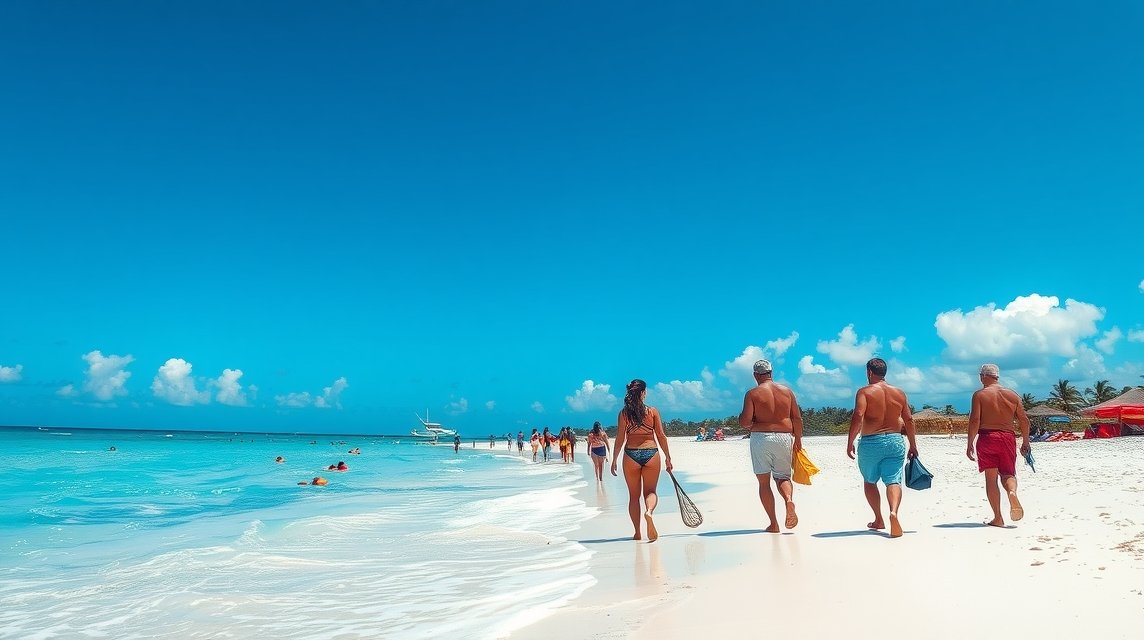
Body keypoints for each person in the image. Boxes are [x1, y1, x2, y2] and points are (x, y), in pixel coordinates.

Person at [847, 358, 918, 539]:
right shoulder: (899, 393)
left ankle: (879, 519)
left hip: (871, 441)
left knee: (870, 481)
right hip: (895, 440)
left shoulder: (864, 392)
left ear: (869, 372)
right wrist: (913, 445)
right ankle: (893, 512)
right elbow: (909, 420)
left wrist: (850, 441)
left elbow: (858, 415)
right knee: (893, 480)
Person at [739, 359, 803, 532]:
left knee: (764, 482)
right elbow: (797, 418)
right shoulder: (787, 391)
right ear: (771, 373)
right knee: (783, 477)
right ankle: (788, 500)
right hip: (784, 437)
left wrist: (752, 425)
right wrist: (798, 440)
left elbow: (745, 421)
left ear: (755, 375)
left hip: (761, 438)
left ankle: (773, 524)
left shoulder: (753, 394)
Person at [967, 363, 1031, 527]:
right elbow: (1024, 419)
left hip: (988, 437)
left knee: (991, 479)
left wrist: (970, 443)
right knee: (1008, 473)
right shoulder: (1012, 395)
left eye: (980, 375)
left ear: (984, 376)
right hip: (1008, 437)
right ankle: (1012, 492)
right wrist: (1025, 441)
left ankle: (998, 518)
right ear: (997, 376)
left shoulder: (979, 395)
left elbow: (975, 420)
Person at [610, 379, 673, 542]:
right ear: (643, 393)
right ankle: (649, 512)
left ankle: (637, 532)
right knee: (650, 492)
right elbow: (661, 436)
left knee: (633, 496)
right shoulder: (652, 412)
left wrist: (614, 459)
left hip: (631, 455)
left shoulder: (624, 414)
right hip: (651, 453)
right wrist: (668, 457)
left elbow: (619, 438)